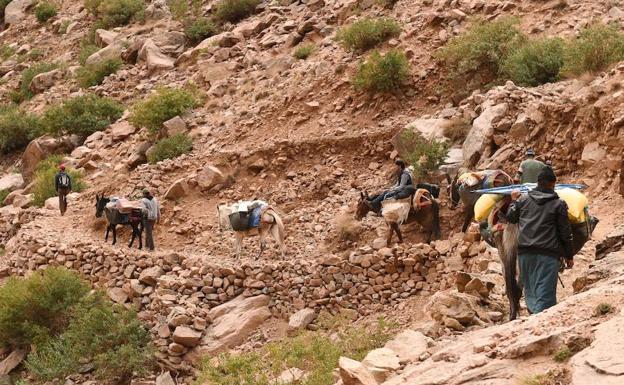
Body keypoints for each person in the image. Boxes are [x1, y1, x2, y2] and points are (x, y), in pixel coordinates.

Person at [506, 166, 574, 314]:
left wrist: (513, 201)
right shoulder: (558, 204)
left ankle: (533, 323)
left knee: (530, 292)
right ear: (553, 184)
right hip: (547, 255)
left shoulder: (523, 200)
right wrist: (569, 255)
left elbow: (510, 217)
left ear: (538, 183)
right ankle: (540, 328)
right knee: (545, 296)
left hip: (524, 254)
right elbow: (565, 233)